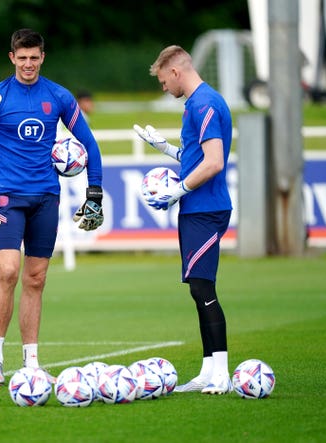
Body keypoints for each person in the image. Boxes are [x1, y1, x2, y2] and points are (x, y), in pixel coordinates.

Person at [0, 29, 105, 386]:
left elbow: (89, 143)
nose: (28, 64)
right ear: (11, 57)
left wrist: (95, 194)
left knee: (36, 278)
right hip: (5, 197)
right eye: (22, 57)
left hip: (46, 197)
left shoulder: (58, 96)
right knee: (8, 271)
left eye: (34, 57)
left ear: (43, 57)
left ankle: (31, 360)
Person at [134, 45, 233, 394]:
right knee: (197, 287)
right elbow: (196, 157)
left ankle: (221, 372)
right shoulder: (197, 103)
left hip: (205, 207)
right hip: (198, 207)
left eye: (163, 81)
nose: (164, 88)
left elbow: (214, 162)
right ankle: (208, 370)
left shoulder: (204, 103)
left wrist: (176, 192)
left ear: (175, 72)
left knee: (204, 287)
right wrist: (165, 149)